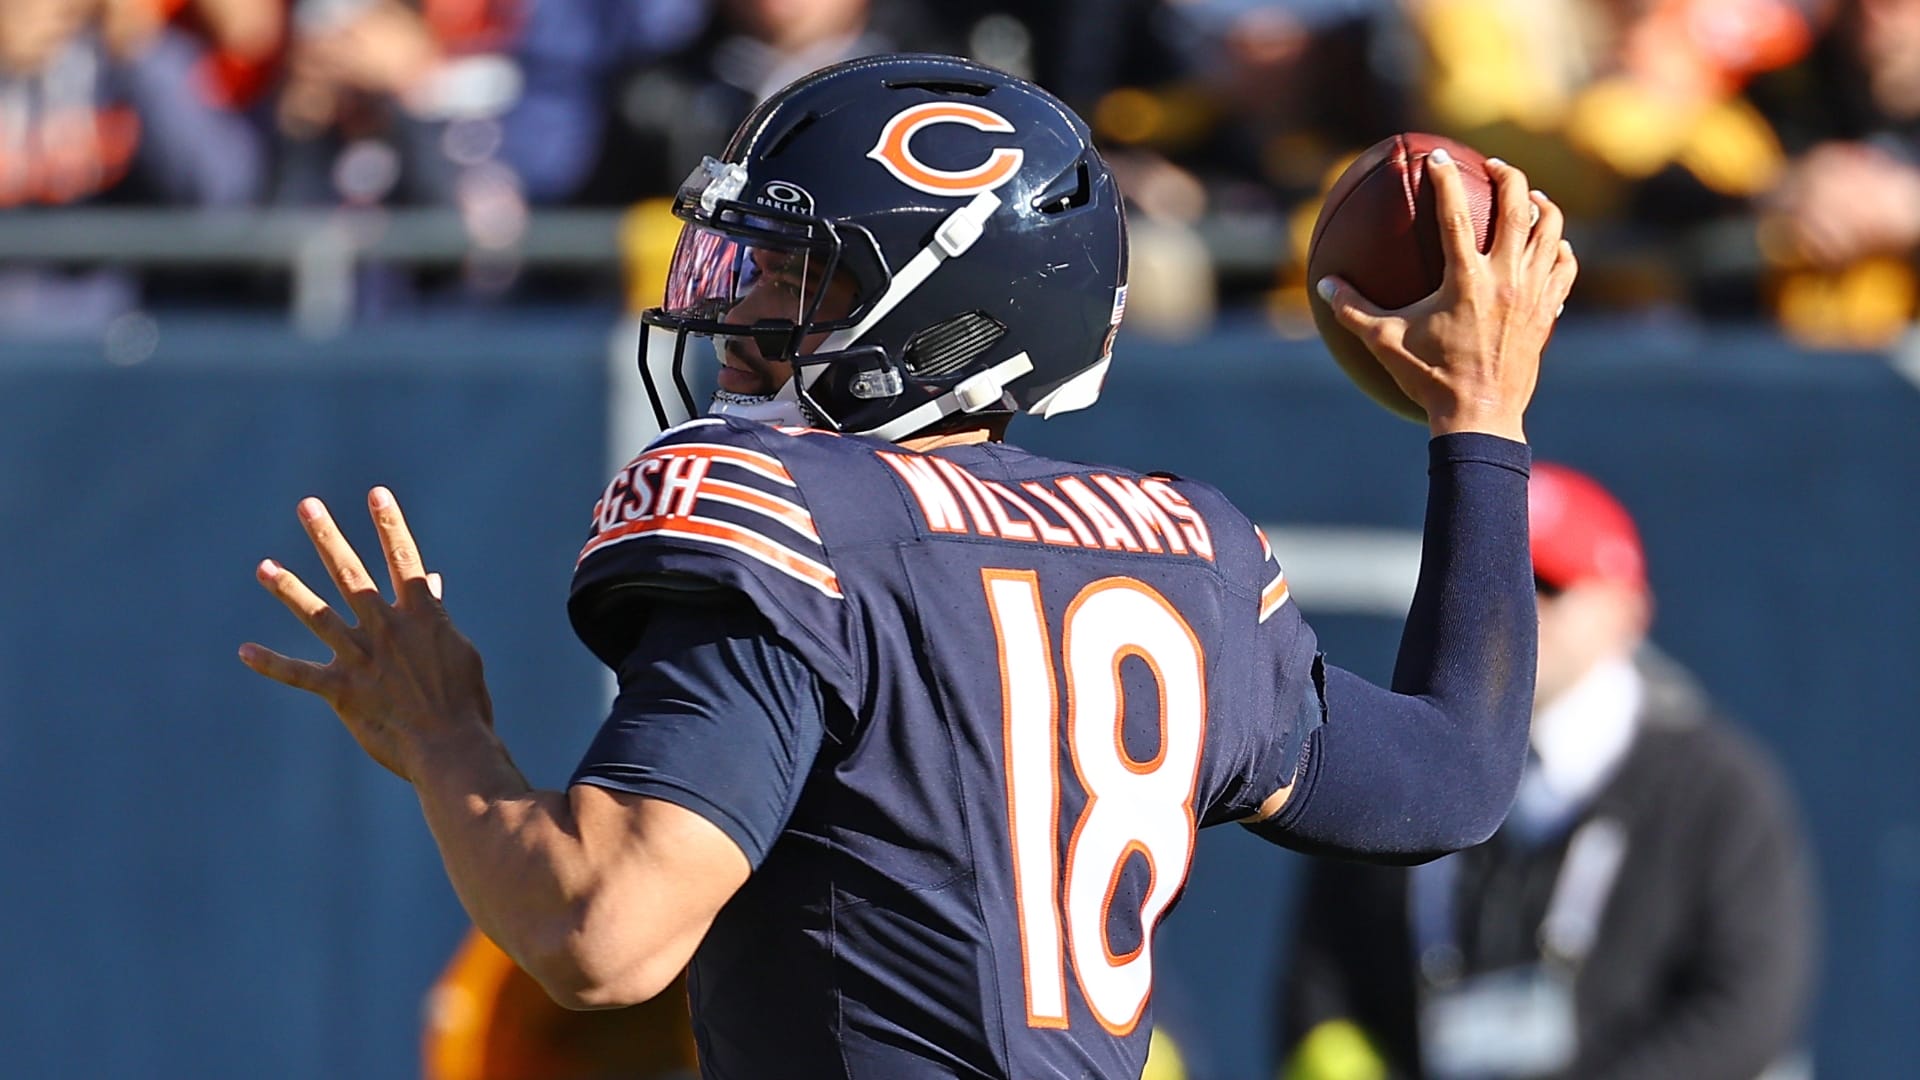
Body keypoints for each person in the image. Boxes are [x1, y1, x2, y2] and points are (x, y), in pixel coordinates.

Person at [238, 54, 1576, 1078]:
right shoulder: (1191, 554)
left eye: (795, 279)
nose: (733, 308)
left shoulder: (794, 519)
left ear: (950, 313)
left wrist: (442, 732)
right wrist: (1485, 425)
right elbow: (1450, 777)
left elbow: (604, 933)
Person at [1278, 463, 1819, 1080]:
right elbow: (1321, 982)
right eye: (1489, 580)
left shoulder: (1719, 792)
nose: (1514, 607)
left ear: (1627, 613)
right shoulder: (1394, 758)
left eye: (1548, 584)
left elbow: (1744, 1007)